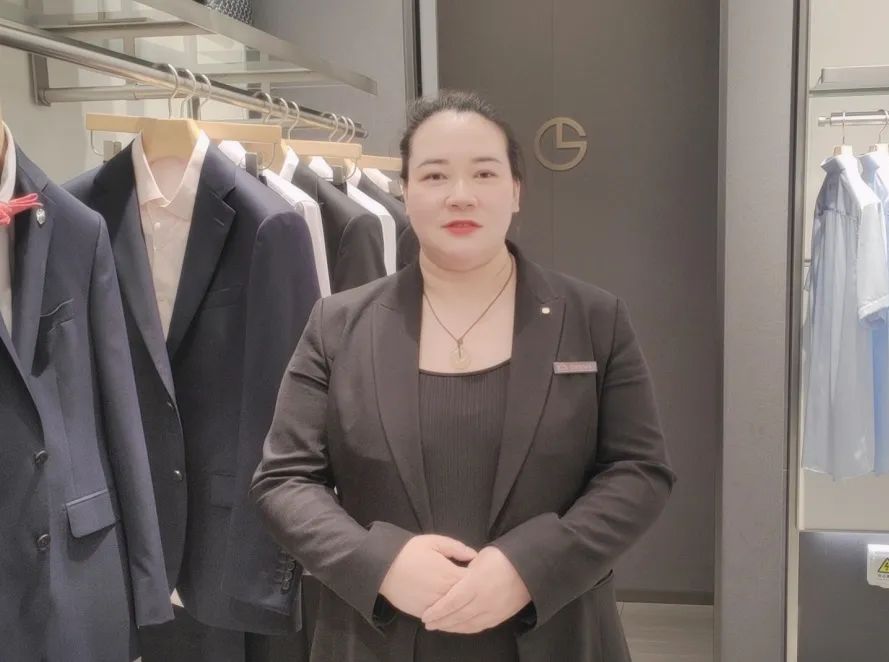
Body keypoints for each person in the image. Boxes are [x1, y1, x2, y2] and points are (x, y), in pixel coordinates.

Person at [250, 90, 676, 661]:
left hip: (555, 630)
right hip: (378, 634)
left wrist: (532, 565)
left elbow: (639, 471)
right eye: (434, 175)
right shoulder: (338, 325)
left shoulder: (593, 319)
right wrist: (380, 563)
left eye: (484, 172)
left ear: (516, 190)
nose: (460, 195)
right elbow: (284, 480)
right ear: (405, 191)